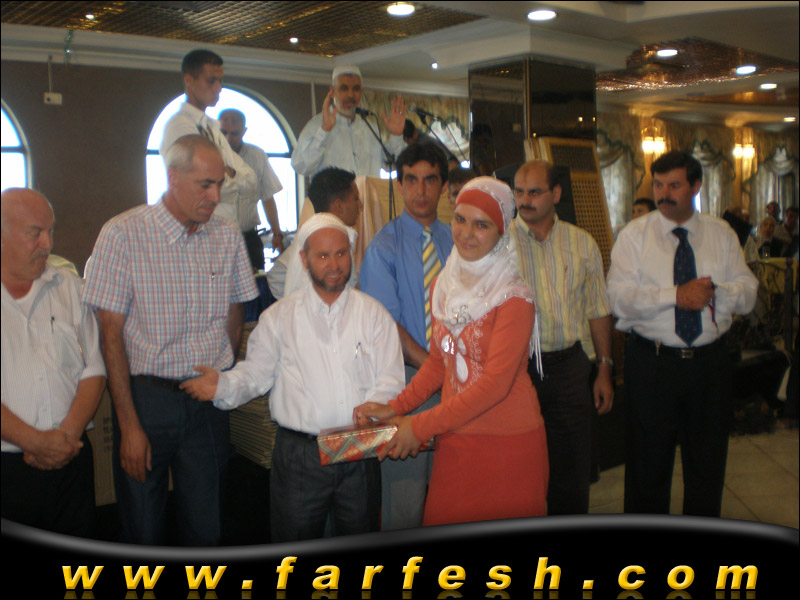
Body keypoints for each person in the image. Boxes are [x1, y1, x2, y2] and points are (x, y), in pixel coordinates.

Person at [180, 213, 404, 542]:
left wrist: (372, 409)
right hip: (300, 457)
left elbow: (392, 379)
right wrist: (223, 385)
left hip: (359, 451)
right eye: (323, 256)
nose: (334, 264)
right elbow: (255, 374)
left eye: (340, 253)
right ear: (304, 259)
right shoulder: (279, 318)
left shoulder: (374, 315)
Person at [83, 135, 259, 545]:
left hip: (206, 403)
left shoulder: (227, 235)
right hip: (147, 400)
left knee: (208, 525)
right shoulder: (123, 234)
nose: (215, 196)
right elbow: (110, 336)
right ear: (172, 177)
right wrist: (128, 424)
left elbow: (236, 310)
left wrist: (223, 373)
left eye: (220, 184)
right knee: (143, 526)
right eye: (205, 185)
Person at [354, 177, 548, 526]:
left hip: (507, 444)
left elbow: (494, 385)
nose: (466, 234)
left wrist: (418, 426)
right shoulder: (445, 286)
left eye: (481, 225)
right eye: (460, 220)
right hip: (455, 436)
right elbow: (438, 362)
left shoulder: (514, 296)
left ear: (501, 232)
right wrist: (395, 407)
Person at [607, 150, 758, 517]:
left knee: (707, 465)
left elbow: (749, 292)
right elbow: (619, 300)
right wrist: (675, 295)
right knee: (647, 467)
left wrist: (716, 293)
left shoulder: (721, 234)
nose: (663, 194)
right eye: (658, 185)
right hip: (652, 363)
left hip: (709, 365)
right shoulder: (634, 236)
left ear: (696, 186)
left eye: (674, 185)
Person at [510, 160, 614, 516]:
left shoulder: (581, 243)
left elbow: (598, 309)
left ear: (555, 194)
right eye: (519, 192)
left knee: (571, 472)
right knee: (521, 469)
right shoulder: (499, 243)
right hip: (518, 372)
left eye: (534, 192)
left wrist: (604, 368)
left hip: (570, 368)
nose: (525, 200)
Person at [1, 188, 106, 538]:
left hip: (71, 459)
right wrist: (33, 441)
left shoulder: (69, 287)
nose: (47, 243)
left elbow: (93, 368)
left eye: (51, 231)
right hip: (7, 467)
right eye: (35, 233)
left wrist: (66, 437)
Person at [359, 142, 452, 530]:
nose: (421, 190)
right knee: (406, 503)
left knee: (451, 494)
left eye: (430, 180)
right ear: (399, 186)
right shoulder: (383, 247)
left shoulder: (456, 241)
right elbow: (386, 326)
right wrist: (434, 369)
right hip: (409, 383)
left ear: (443, 186)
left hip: (458, 384)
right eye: (411, 180)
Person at [159, 49, 257, 229]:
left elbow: (251, 181)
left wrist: (229, 174)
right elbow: (203, 186)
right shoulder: (180, 126)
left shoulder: (212, 127)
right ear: (189, 80)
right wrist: (227, 175)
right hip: (197, 229)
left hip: (223, 230)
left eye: (220, 81)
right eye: (211, 81)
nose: (218, 88)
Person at [291, 65, 407, 177]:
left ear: (361, 92)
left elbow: (393, 165)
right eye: (344, 88)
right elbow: (301, 166)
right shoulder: (316, 125)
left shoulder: (370, 128)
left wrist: (396, 136)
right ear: (332, 91)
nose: (351, 95)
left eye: (356, 89)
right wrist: (324, 131)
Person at [267, 167, 362, 300]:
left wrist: (289, 302)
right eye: (356, 199)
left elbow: (275, 276)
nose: (360, 206)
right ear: (339, 205)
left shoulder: (308, 233)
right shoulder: (338, 238)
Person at [218, 108, 285, 265]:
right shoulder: (208, 156)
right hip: (217, 238)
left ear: (244, 131)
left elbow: (267, 197)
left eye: (234, 133)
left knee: (256, 280)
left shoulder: (257, 155)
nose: (228, 138)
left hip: (248, 238)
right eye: (223, 132)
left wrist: (277, 233)